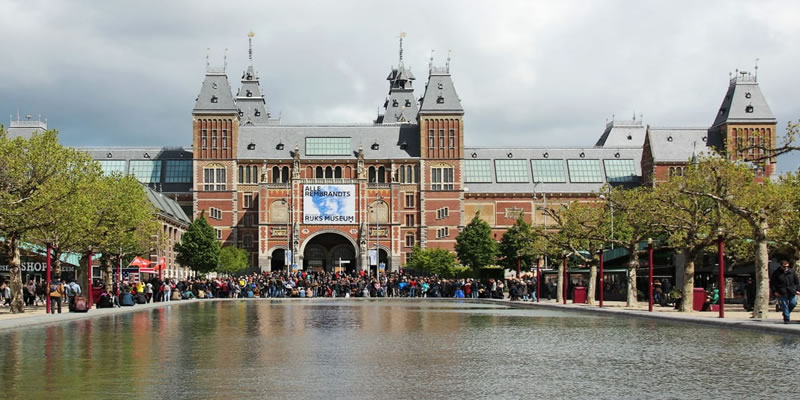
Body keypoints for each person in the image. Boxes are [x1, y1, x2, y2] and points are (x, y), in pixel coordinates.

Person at [770, 260, 799, 324]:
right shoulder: (776, 273)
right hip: (781, 291)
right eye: (784, 266)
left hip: (792, 291)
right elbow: (772, 283)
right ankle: (787, 317)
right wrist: (775, 291)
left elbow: (797, 281)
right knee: (784, 305)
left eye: (787, 266)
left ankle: (786, 313)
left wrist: (798, 290)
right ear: (781, 266)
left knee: (793, 303)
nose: (786, 268)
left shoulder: (792, 272)